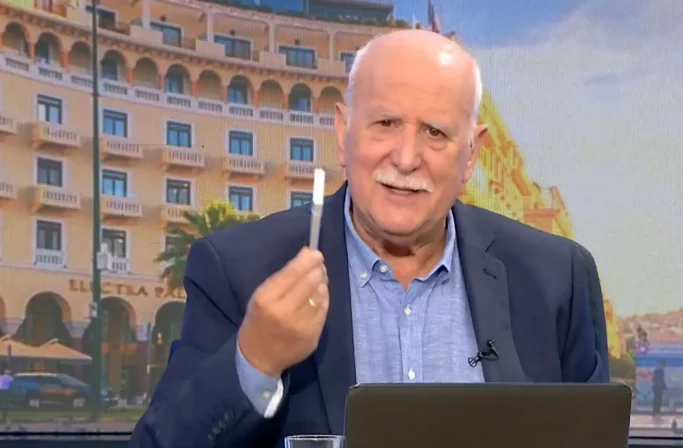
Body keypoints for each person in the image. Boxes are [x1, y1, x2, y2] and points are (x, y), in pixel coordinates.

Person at [130, 29, 609, 447]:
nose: (406, 157)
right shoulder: (238, 269)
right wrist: (254, 359)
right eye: (385, 123)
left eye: (435, 132)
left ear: (470, 155)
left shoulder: (557, 279)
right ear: (343, 133)